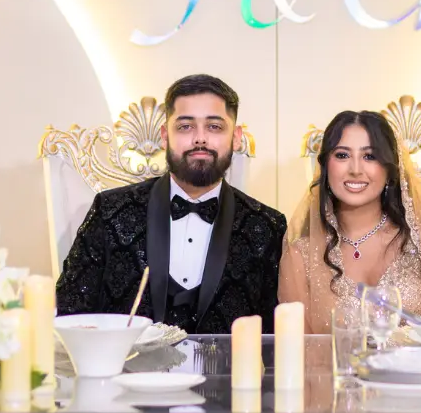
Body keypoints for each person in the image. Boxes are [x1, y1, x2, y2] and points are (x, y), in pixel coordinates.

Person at [56, 75, 287, 334]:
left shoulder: (267, 226)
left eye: (214, 127)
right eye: (185, 127)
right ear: (165, 136)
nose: (200, 139)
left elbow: (274, 337)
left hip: (226, 374)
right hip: (128, 373)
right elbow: (70, 313)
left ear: (235, 137)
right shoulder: (110, 211)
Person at [279, 110, 421, 333]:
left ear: (389, 171)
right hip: (334, 369)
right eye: (342, 155)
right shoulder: (301, 257)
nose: (356, 169)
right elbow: (300, 353)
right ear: (325, 167)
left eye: (370, 156)